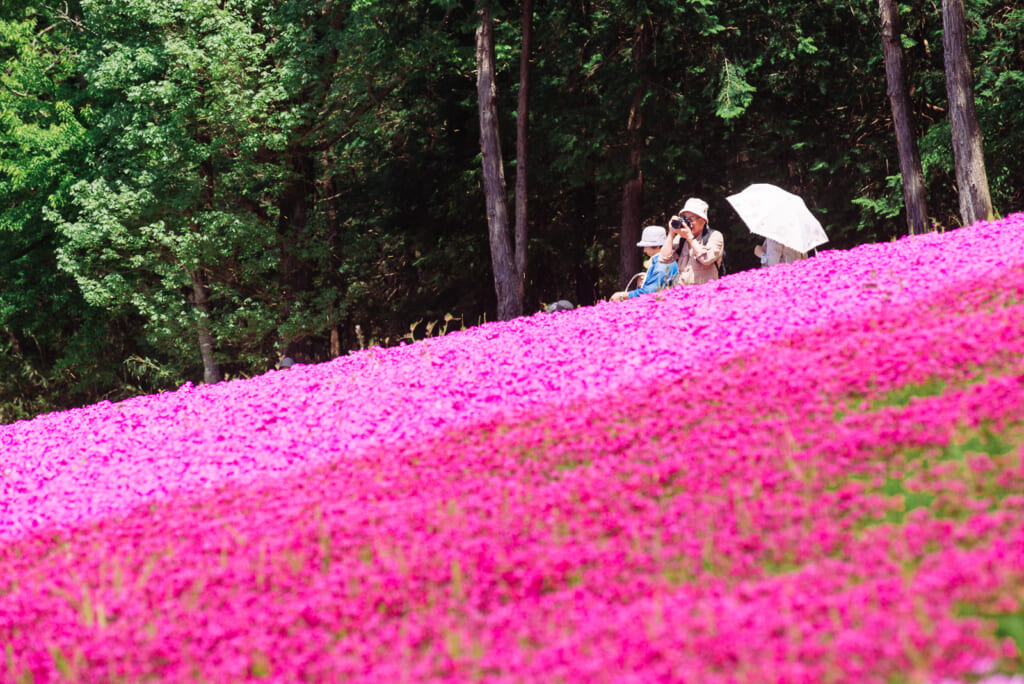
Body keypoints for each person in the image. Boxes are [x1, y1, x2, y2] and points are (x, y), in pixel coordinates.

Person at [659, 197, 724, 286]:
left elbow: (706, 259)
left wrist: (690, 237)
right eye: (685, 218)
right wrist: (671, 233)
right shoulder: (681, 238)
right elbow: (664, 259)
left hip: (705, 293)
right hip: (682, 292)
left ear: (704, 220)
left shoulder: (714, 236)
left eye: (692, 218)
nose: (688, 222)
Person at [610, 226, 679, 301]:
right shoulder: (664, 262)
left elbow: (649, 293)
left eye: (646, 246)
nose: (644, 250)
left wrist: (622, 296)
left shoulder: (661, 265)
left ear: (657, 246)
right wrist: (643, 285)